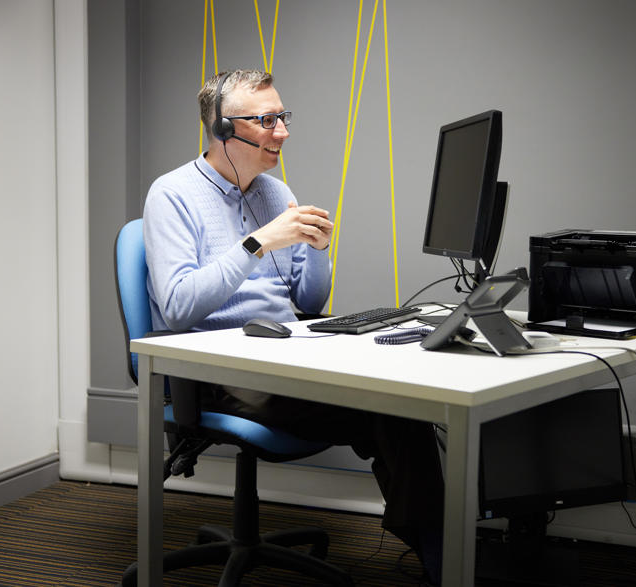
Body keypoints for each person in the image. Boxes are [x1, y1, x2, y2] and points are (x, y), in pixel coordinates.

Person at [142, 69, 444, 585]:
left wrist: (319, 250)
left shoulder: (273, 190)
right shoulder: (171, 195)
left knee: (403, 405)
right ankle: (438, 552)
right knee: (390, 413)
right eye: (265, 120)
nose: (281, 131)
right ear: (221, 130)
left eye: (282, 117)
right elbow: (176, 307)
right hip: (218, 371)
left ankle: (437, 547)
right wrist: (258, 243)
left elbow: (308, 300)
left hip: (283, 357)